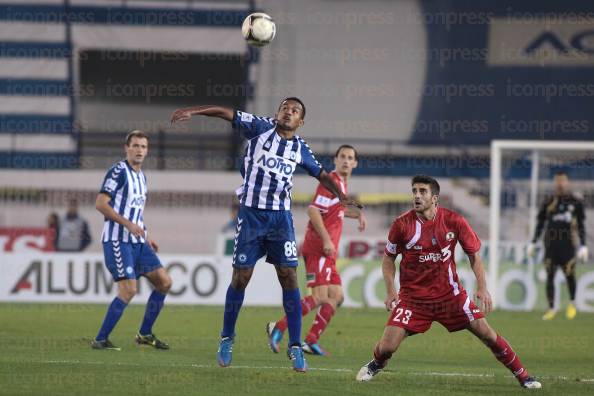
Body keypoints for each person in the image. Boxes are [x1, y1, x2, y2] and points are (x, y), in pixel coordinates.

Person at [171, 98, 361, 372]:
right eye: (285, 107)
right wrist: (193, 110)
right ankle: (227, 338)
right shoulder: (260, 127)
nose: (289, 112)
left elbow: (320, 174)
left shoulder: (299, 148)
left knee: (288, 277)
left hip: (280, 220)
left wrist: (342, 196)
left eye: (295, 111)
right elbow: (227, 113)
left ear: (301, 122)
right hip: (251, 216)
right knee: (241, 276)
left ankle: (295, 346)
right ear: (277, 112)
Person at [356, 175, 541, 389]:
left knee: (487, 334)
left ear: (435, 198)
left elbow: (474, 255)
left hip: (450, 296)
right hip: (413, 299)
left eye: (422, 191)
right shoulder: (401, 224)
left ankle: (524, 376)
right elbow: (388, 259)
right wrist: (391, 291)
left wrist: (482, 288)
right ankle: (376, 364)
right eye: (414, 191)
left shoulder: (454, 221)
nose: (417, 195)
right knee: (387, 347)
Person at [266, 144, 366, 356]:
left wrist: (355, 214)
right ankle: (279, 327)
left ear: (355, 163)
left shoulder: (340, 186)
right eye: (343, 157)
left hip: (328, 251)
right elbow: (313, 210)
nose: (346, 161)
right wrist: (327, 240)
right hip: (319, 246)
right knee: (320, 296)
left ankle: (310, 341)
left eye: (350, 158)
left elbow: (332, 211)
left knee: (336, 296)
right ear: (336, 160)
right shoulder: (329, 182)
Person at [91, 130, 172, 351]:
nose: (139, 150)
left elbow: (136, 213)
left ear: (147, 151)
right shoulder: (118, 171)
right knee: (128, 290)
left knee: (164, 282)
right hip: (118, 240)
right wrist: (128, 225)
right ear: (126, 148)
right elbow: (101, 204)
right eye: (135, 145)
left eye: (143, 147)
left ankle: (145, 333)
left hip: (138, 243)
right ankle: (100, 339)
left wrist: (146, 236)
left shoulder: (142, 177)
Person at [527, 171, 587, 320]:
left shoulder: (575, 202)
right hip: (551, 246)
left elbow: (580, 225)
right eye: (558, 181)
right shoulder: (548, 202)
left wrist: (583, 245)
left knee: (569, 275)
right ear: (555, 183)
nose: (560, 184)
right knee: (550, 276)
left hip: (568, 246)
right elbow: (540, 223)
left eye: (563, 181)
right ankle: (552, 308)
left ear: (567, 183)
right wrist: (533, 242)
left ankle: (572, 303)